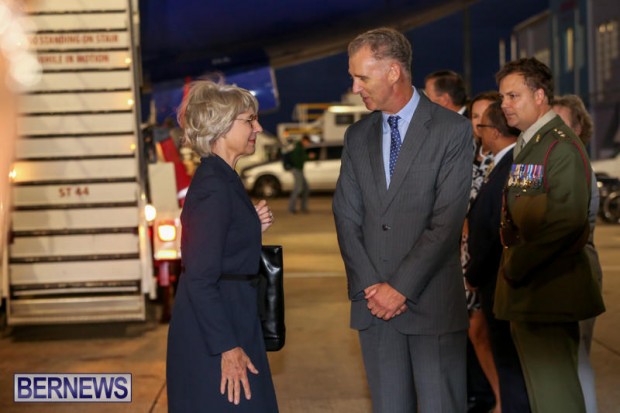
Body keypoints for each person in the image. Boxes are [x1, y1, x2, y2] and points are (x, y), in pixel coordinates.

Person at [333, 27, 473, 413]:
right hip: (373, 309)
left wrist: (400, 287)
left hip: (431, 305)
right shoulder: (357, 136)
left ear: (393, 72)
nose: (355, 86)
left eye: (362, 76)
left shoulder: (452, 131)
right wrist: (371, 288)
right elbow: (346, 216)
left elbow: (446, 221)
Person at [494, 57, 605, 413]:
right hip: (532, 293)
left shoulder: (559, 147)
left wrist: (517, 265)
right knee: (543, 396)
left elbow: (566, 221)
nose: (504, 106)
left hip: (549, 291)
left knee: (556, 398)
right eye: (503, 98)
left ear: (540, 95)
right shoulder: (532, 144)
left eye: (513, 96)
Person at [166, 80, 279, 412]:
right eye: (249, 119)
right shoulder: (214, 186)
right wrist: (227, 347)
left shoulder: (223, 177)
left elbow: (220, 246)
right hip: (217, 331)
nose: (258, 127)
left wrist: (249, 227)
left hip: (231, 318)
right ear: (220, 126)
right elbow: (200, 276)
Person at [465, 101, 530, 413]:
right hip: (501, 278)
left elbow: (494, 230)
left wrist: (473, 275)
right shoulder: (511, 161)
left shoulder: (513, 165)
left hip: (499, 279)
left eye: (482, 127)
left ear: (492, 132)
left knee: (507, 358)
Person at [553, 94, 602, 413]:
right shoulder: (562, 164)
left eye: (563, 125)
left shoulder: (576, 167)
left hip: (575, 272)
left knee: (576, 358)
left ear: (580, 127)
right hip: (565, 273)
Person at [463, 91, 502, 413]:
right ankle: (497, 395)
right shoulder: (470, 154)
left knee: (483, 331)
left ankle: (502, 398)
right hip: (465, 254)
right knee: (476, 333)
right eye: (474, 116)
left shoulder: (501, 157)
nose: (478, 122)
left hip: (487, 255)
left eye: (484, 116)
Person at [288, 134, 310, 213]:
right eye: (308, 142)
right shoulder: (298, 148)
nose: (308, 144)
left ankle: (303, 207)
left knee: (306, 188)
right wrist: (308, 157)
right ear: (304, 140)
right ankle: (291, 208)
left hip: (299, 170)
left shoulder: (300, 147)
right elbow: (297, 160)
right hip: (297, 170)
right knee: (298, 189)